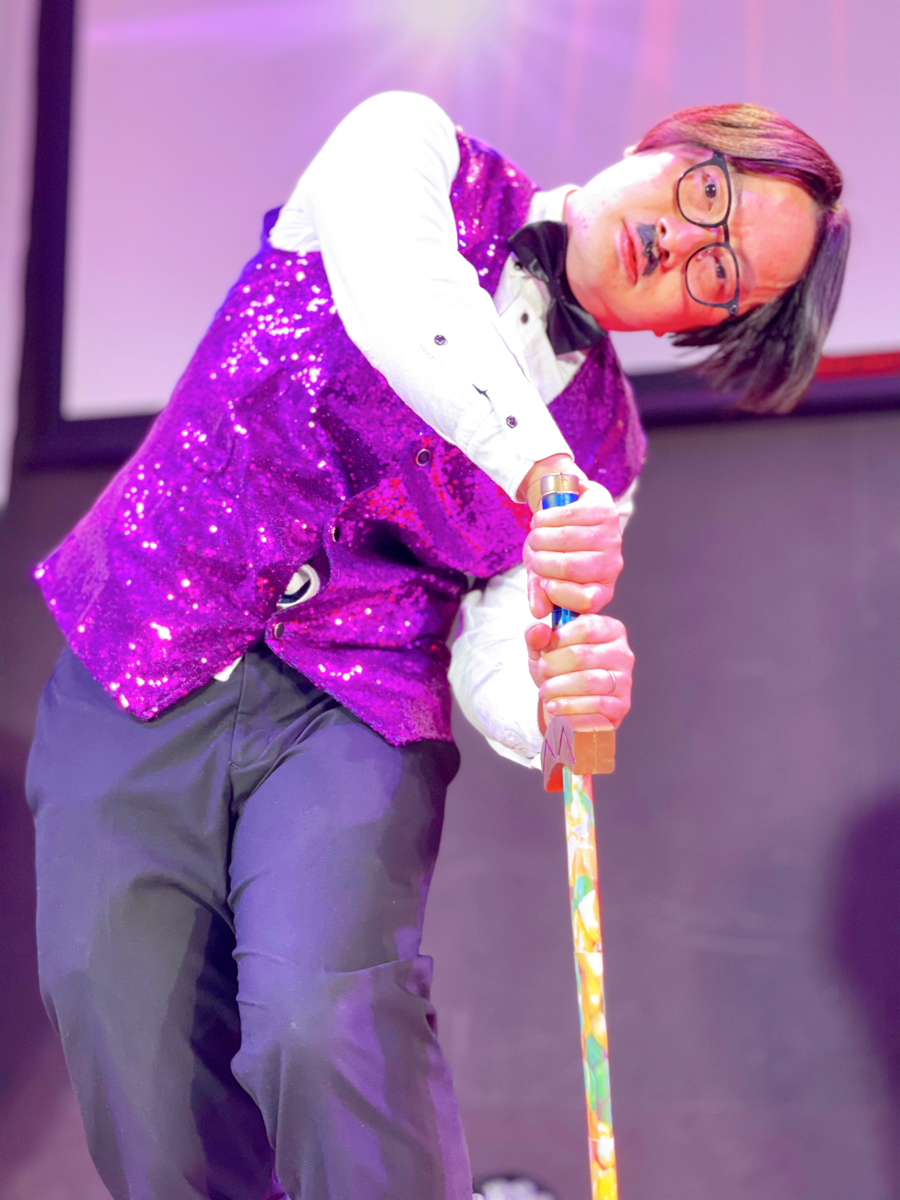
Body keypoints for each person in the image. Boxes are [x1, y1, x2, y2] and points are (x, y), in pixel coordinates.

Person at [25, 92, 848, 1200]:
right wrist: (539, 471)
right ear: (656, 144)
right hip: (139, 639)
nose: (684, 242)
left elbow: (500, 654)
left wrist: (559, 702)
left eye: (721, 273)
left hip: (353, 712)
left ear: (691, 326)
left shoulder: (609, 454)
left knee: (323, 1019)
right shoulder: (404, 144)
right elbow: (402, 297)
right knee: (129, 1048)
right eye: (708, 192)